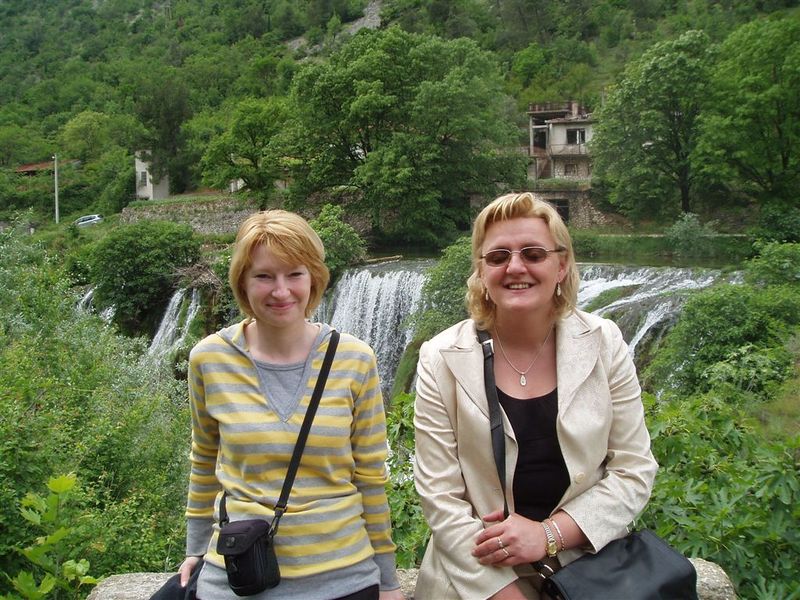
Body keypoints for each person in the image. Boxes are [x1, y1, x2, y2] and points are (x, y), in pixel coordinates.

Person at [413, 192, 658, 600]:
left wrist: (548, 535)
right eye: (497, 257)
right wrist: (504, 593)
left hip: (588, 573)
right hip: (475, 578)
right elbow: (440, 498)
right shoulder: (440, 357)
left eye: (533, 254)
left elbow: (634, 471)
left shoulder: (604, 342)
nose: (515, 267)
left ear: (561, 265)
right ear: (481, 271)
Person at [176, 210, 404, 600]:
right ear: (242, 282)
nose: (281, 291)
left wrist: (388, 581)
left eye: (294, 274)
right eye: (264, 276)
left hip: (345, 576)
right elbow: (205, 460)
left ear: (313, 277)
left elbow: (370, 478)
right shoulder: (209, 359)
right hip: (239, 575)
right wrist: (195, 550)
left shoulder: (355, 359)